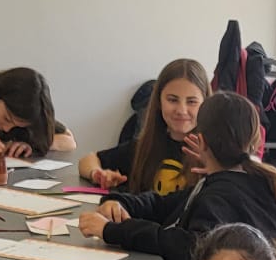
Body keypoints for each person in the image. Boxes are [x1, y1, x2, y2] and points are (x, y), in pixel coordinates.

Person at [77, 90, 276, 260]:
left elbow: (189, 249)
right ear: (255, 139)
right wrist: (119, 202)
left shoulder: (221, 194)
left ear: (201, 141)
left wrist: (112, 231)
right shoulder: (240, 181)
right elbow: (164, 204)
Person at [77, 57, 209, 194]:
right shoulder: (144, 147)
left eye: (192, 102)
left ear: (206, 103)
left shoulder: (213, 153)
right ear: (159, 101)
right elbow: (87, 160)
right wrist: (97, 174)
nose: (181, 110)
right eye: (172, 100)